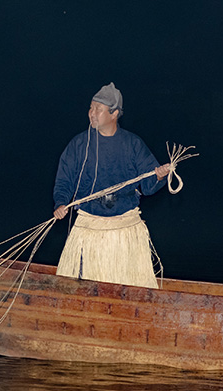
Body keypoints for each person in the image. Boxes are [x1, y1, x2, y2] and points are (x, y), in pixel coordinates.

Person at [52, 82, 170, 288]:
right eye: (91, 108)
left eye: (98, 109)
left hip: (124, 228)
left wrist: (159, 176)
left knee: (130, 287)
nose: (92, 113)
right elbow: (65, 179)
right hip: (89, 227)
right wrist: (60, 203)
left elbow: (148, 186)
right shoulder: (80, 144)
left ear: (114, 113)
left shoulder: (132, 144)